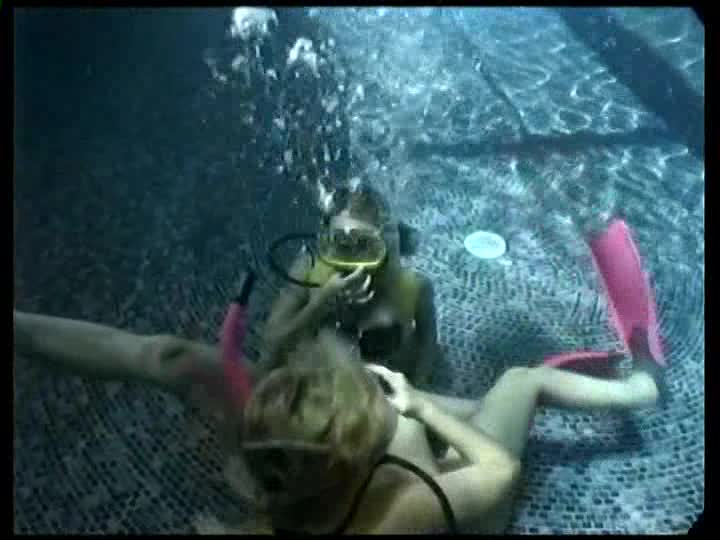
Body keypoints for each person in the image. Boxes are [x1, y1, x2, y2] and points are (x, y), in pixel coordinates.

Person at [14, 307, 664, 534]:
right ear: (364, 458)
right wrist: (418, 408)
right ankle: (642, 386)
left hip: (376, 470)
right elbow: (500, 471)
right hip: (468, 497)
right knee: (522, 380)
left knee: (426, 404)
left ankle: (465, 410)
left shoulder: (287, 483)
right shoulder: (404, 509)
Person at [261, 183, 438, 387]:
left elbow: (428, 342)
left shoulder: (415, 287)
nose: (353, 259)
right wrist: (318, 305)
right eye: (341, 243)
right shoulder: (309, 271)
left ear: (383, 246)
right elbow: (271, 346)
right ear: (328, 242)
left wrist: (417, 387)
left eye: (364, 245)